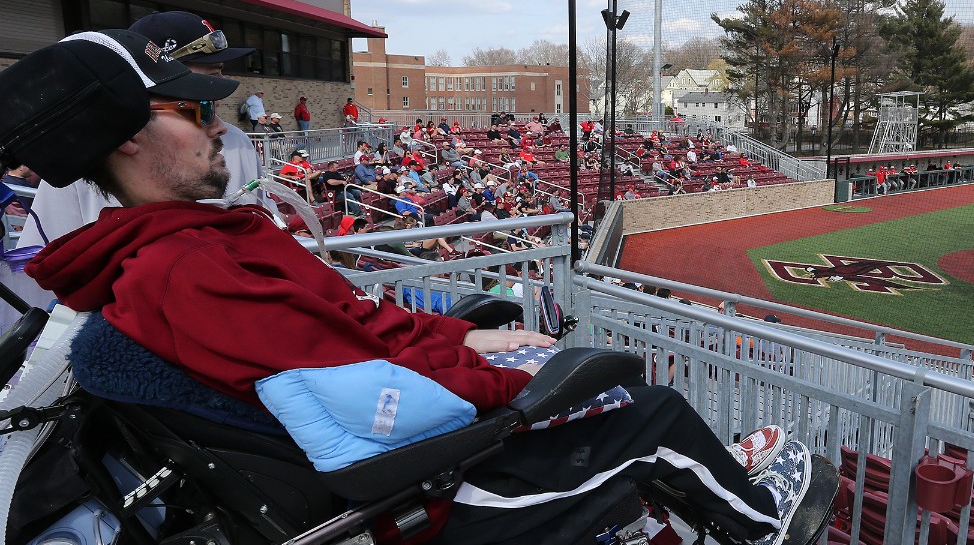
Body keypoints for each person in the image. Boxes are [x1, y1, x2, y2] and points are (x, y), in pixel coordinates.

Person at [2, 31, 818, 545]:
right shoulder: (187, 268)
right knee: (647, 408)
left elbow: (352, 341)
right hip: (433, 496)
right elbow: (360, 384)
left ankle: (712, 488)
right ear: (129, 139)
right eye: (191, 109)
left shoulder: (173, 252)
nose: (223, 125)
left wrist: (462, 339)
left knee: (569, 372)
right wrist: (518, 389)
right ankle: (758, 523)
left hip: (393, 457)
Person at [15, 10, 272, 249]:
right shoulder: (88, 152)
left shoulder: (236, 139)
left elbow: (264, 217)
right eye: (210, 74)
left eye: (221, 72)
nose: (221, 86)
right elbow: (44, 252)